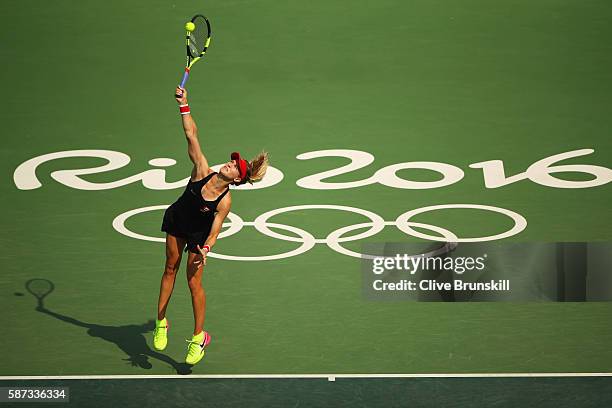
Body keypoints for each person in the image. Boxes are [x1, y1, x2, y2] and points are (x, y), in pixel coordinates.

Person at [153, 85, 269, 365]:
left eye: (235, 167)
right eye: (231, 162)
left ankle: (198, 337)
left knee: (193, 283)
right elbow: (191, 134)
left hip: (197, 234)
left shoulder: (225, 201)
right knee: (170, 267)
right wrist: (184, 104)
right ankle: (161, 321)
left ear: (237, 180)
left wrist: (206, 247)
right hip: (177, 219)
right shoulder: (201, 170)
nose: (229, 165)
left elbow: (215, 231)